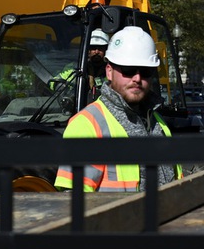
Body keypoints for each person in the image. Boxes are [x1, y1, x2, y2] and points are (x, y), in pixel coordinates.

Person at [54, 26, 183, 192]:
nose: (137, 78)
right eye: (128, 70)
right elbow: (73, 203)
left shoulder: (158, 122)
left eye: (145, 71)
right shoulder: (87, 125)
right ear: (109, 72)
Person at [49, 28, 109, 98]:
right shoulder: (76, 66)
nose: (96, 52)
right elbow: (53, 82)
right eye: (93, 48)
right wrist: (60, 87)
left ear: (106, 50)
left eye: (100, 48)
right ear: (88, 49)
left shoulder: (110, 71)